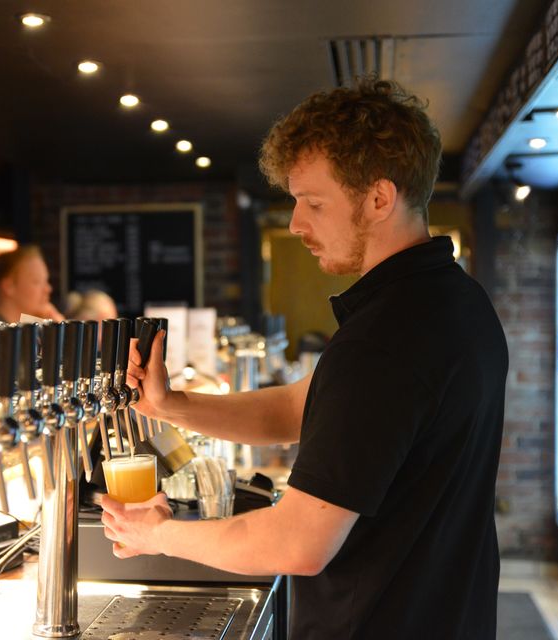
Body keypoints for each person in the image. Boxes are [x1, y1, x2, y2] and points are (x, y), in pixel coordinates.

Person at [103, 77, 509, 639]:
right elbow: (304, 406)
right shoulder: (458, 300)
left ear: (379, 198)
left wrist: (156, 535)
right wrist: (171, 405)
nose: (296, 224)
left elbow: (297, 545)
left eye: (314, 203)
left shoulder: (383, 342)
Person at [0, 245, 64, 325]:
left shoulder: (19, 332)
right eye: (37, 281)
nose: (48, 289)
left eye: (46, 281)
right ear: (8, 287)